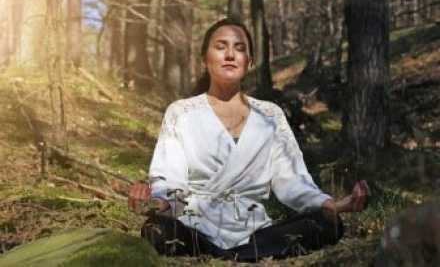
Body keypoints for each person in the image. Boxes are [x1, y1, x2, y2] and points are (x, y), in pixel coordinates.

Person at [128, 18, 369, 262]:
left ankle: (233, 254)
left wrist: (336, 205)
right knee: (155, 230)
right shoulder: (181, 112)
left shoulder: (270, 115)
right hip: (196, 227)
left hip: (256, 231)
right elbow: (170, 179)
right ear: (204, 59)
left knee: (328, 224)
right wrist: (157, 204)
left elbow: (293, 181)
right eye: (221, 46)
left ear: (250, 62)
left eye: (240, 48)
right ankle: (239, 255)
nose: (230, 54)